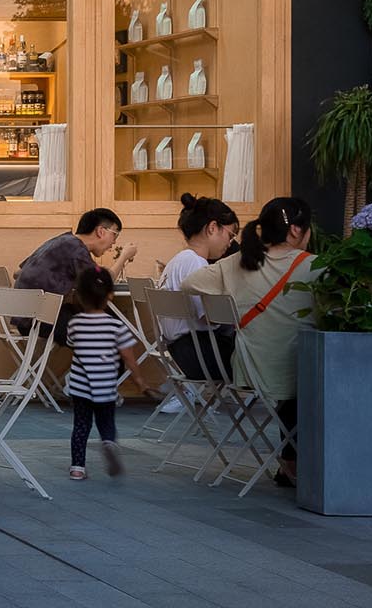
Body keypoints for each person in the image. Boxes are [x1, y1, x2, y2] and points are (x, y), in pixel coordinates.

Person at [181, 196, 319, 487]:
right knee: (313, 375)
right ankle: (297, 462)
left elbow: (188, 284)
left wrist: (232, 300)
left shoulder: (238, 263)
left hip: (248, 370)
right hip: (295, 374)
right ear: (296, 230)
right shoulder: (315, 267)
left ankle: (289, 462)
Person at [63, 266, 149, 480]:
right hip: (106, 386)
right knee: (106, 422)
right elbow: (128, 357)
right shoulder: (116, 326)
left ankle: (77, 468)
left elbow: (71, 344)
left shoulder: (75, 324)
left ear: (79, 295)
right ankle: (108, 443)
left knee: (81, 426)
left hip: (80, 386)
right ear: (110, 295)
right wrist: (140, 381)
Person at [156, 193, 240, 381]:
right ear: (212, 228)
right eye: (230, 235)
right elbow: (209, 317)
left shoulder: (176, 262)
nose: (230, 243)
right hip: (204, 354)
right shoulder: (196, 264)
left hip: (183, 354)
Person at [12, 208, 138, 331]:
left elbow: (17, 273)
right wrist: (124, 256)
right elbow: (103, 283)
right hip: (40, 319)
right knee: (112, 327)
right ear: (101, 231)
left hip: (25, 317)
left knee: (102, 318)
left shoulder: (61, 240)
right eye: (115, 234)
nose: (114, 242)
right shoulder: (76, 249)